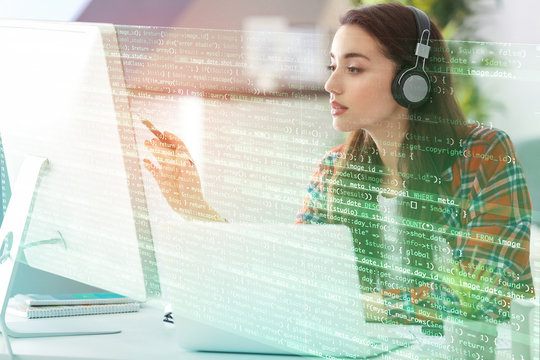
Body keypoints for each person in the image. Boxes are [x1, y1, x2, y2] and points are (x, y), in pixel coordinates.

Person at [143, 2, 534, 325]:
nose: (331, 84)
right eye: (333, 66)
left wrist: (352, 306)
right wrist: (195, 209)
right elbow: (288, 272)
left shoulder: (483, 155)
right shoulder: (335, 171)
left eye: (354, 68)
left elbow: (486, 298)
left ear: (413, 79)